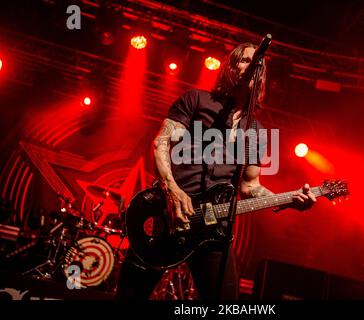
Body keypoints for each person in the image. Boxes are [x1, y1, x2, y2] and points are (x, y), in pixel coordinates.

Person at [115, 42, 317, 300]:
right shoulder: (196, 101)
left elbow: (249, 186)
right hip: (171, 214)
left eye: (259, 64)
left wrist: (289, 199)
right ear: (231, 68)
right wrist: (172, 190)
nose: (253, 66)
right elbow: (161, 143)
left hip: (214, 229)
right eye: (245, 60)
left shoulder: (255, 131)